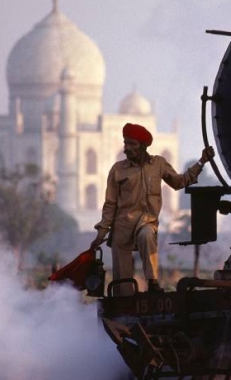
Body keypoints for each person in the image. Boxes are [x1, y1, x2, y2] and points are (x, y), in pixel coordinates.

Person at [91, 123, 215, 293]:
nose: (126, 148)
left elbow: (180, 182)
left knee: (147, 235)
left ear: (142, 146)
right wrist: (102, 232)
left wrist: (201, 162)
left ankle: (153, 283)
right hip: (122, 228)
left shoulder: (158, 164)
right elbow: (110, 203)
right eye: (125, 143)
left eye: (131, 144)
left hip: (146, 222)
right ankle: (124, 310)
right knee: (123, 287)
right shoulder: (118, 170)